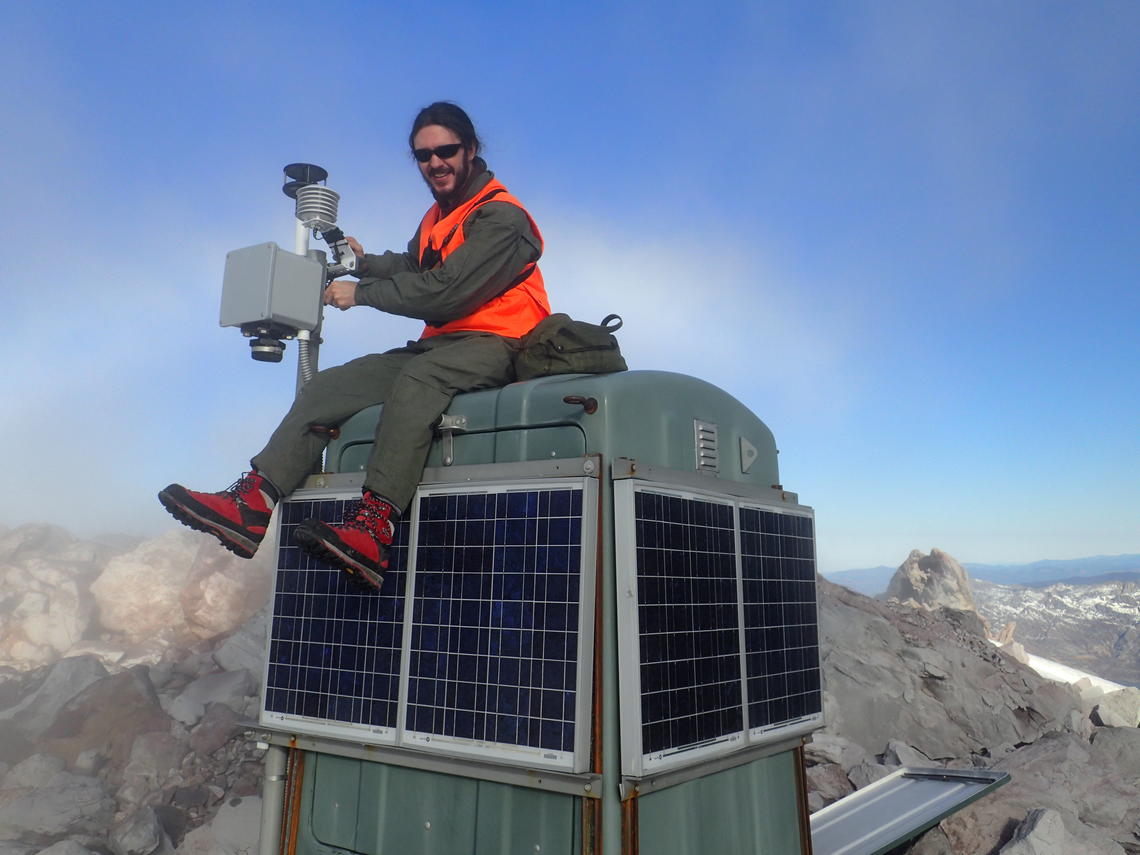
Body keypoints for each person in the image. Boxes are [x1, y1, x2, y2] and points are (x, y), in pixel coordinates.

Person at [159, 102, 550, 591]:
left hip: (501, 342)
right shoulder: (439, 217)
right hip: (445, 344)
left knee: (417, 381)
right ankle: (252, 505)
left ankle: (374, 528)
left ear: (470, 150)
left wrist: (361, 294)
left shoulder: (501, 217)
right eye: (423, 156)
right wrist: (365, 264)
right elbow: (415, 266)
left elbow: (448, 290)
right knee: (332, 386)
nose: (435, 163)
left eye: (446, 151)